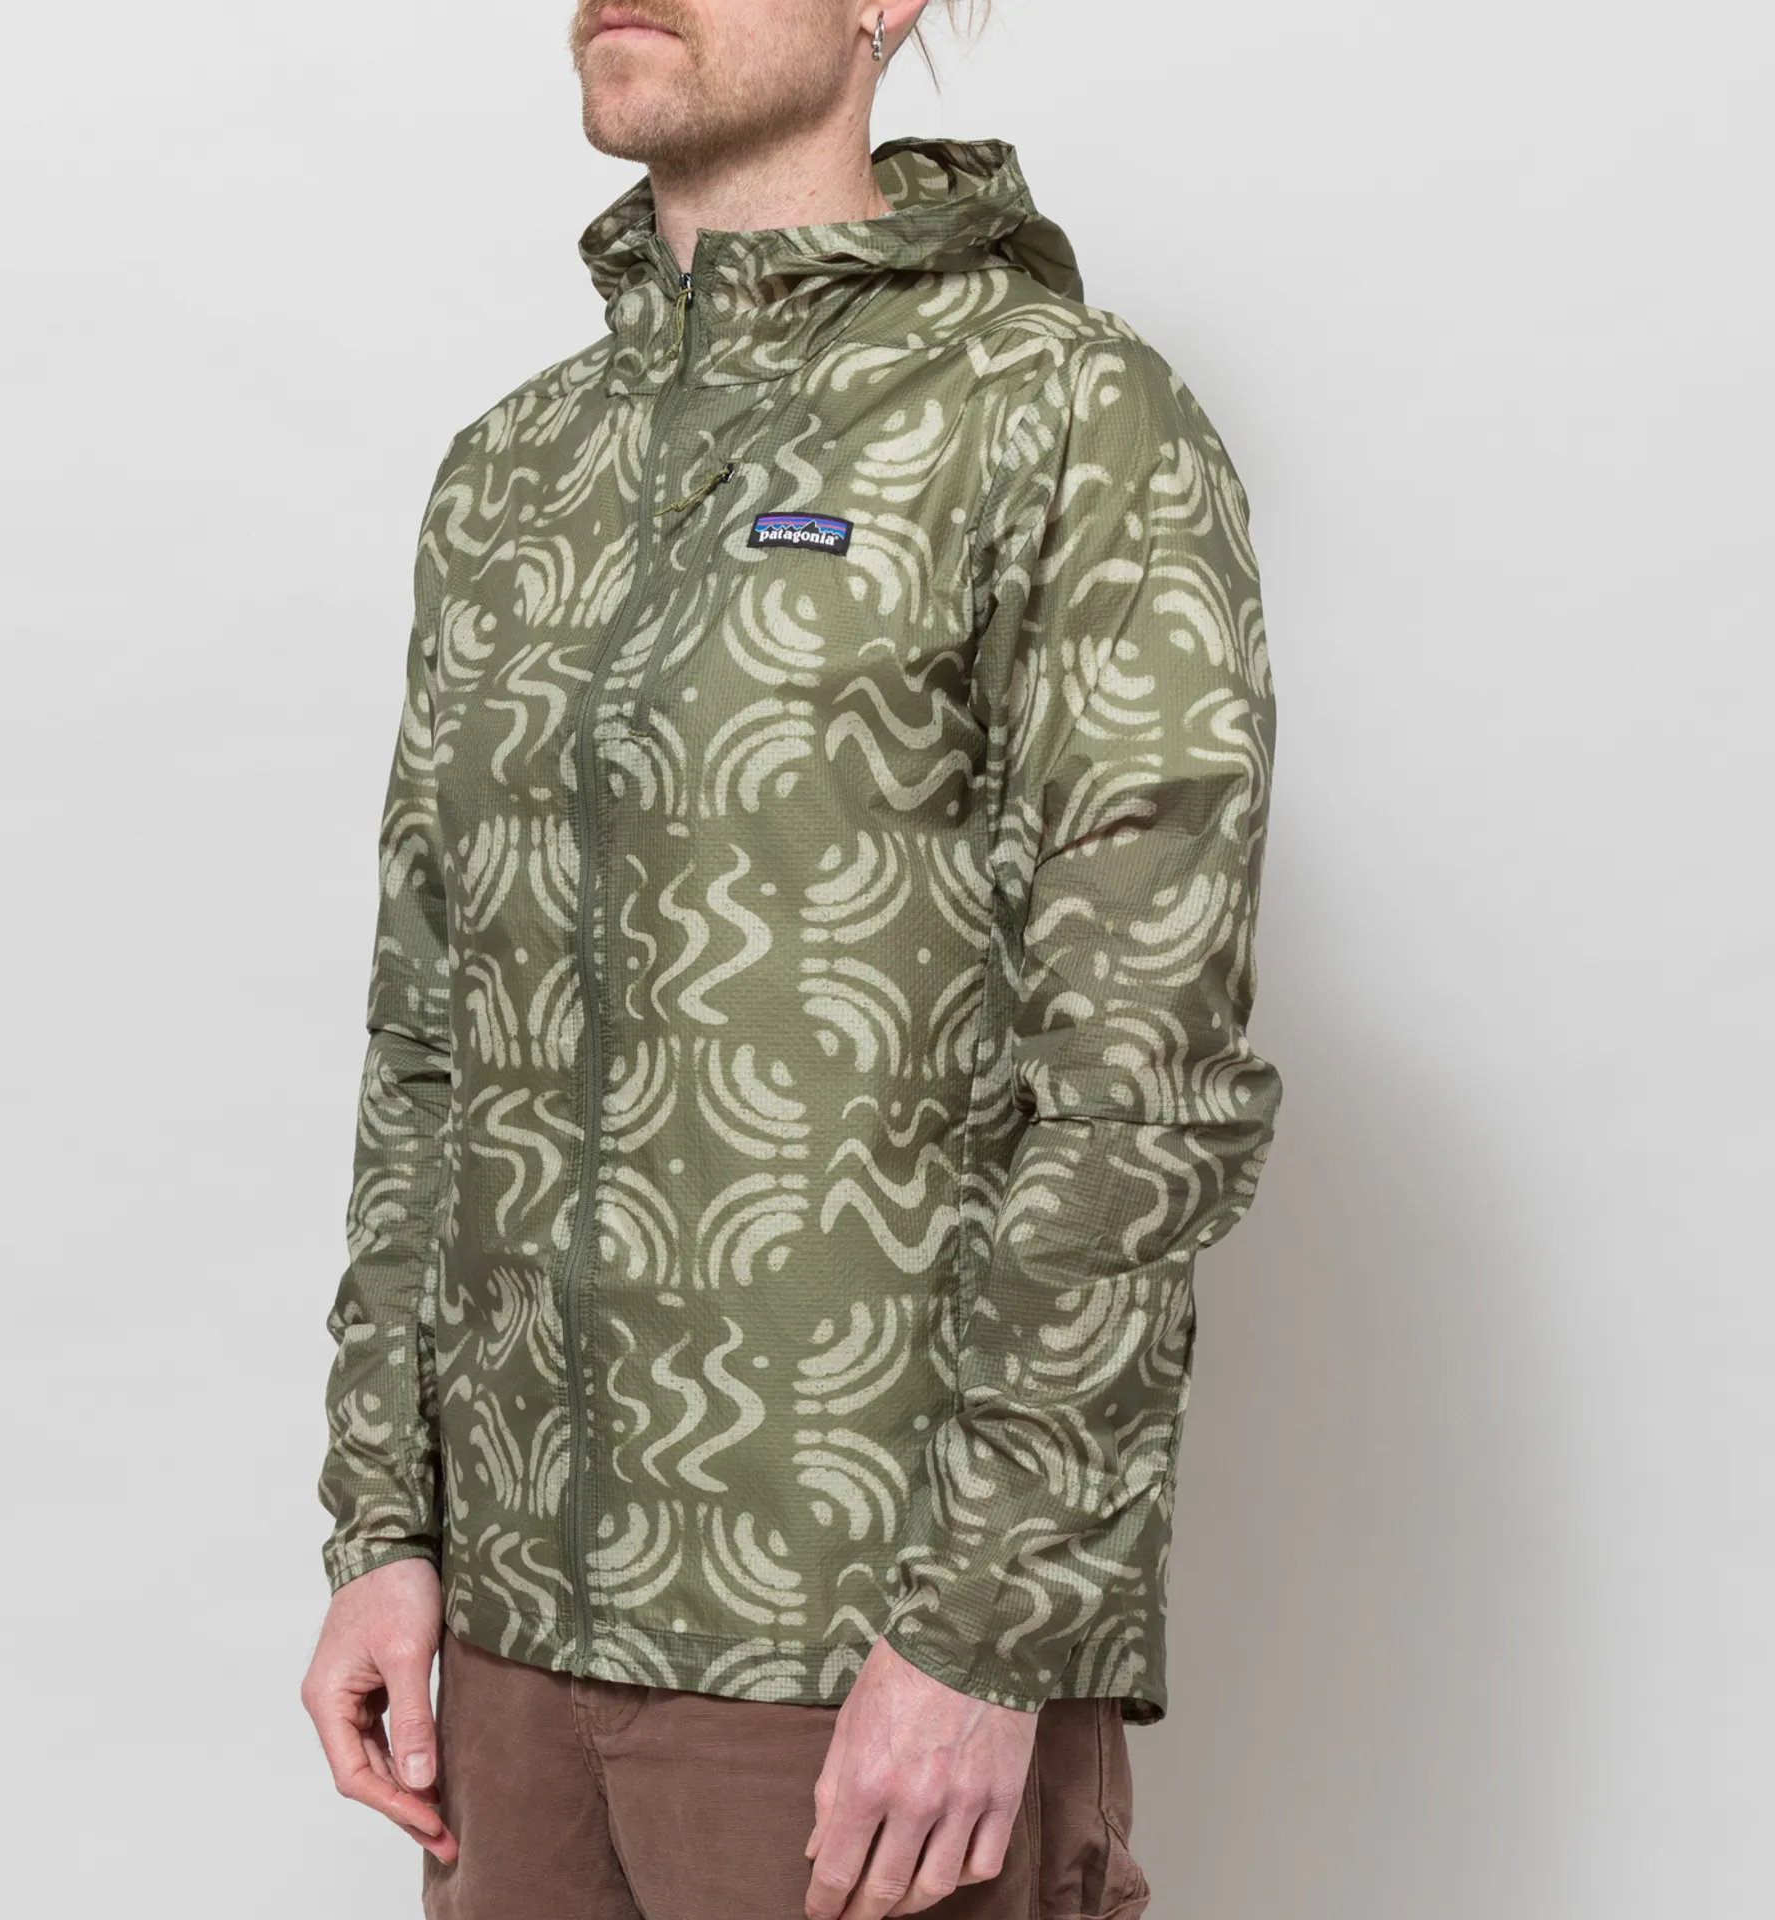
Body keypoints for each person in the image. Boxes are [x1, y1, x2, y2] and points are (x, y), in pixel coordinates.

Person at [299, 3, 1285, 1915]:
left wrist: (987, 1625)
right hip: (504, 1664)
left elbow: (1141, 1085)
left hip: (859, 1662)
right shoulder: (514, 471)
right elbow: (431, 1038)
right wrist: (385, 1526)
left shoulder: (1059, 411)